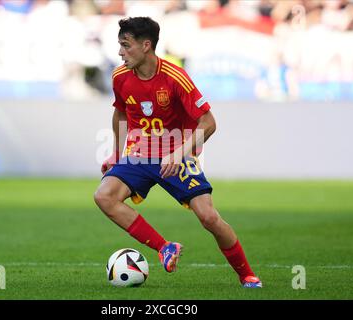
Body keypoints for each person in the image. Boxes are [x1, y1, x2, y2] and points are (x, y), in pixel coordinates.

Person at [94, 17, 262, 288]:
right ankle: (164, 247)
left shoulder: (175, 77)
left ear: (146, 46)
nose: (120, 52)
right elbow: (121, 112)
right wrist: (116, 153)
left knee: (209, 217)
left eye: (126, 45)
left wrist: (180, 153)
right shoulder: (120, 76)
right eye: (120, 46)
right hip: (139, 155)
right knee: (104, 196)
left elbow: (209, 122)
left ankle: (247, 275)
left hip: (176, 154)